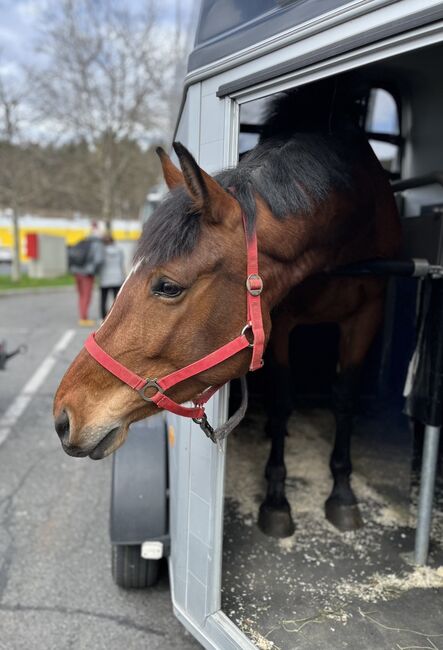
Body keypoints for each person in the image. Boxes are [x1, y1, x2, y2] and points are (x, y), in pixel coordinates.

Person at [69, 222, 104, 327]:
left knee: (81, 295)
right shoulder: (97, 244)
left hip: (76, 272)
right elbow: (99, 260)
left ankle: (82, 316)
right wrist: (95, 270)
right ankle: (84, 318)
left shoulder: (83, 241)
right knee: (86, 296)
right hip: (87, 274)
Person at [99, 235, 125, 319]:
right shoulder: (119, 250)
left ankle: (103, 317)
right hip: (117, 277)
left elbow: (99, 263)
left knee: (103, 299)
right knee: (116, 300)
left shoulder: (101, 251)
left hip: (104, 278)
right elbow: (121, 264)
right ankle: (116, 317)